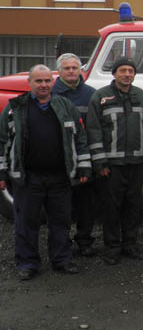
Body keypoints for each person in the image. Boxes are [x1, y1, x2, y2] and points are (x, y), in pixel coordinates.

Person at [0, 65, 91, 280]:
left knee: (61, 221)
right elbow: (2, 142)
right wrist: (2, 174)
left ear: (53, 82)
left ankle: (61, 260)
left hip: (60, 177)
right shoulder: (15, 108)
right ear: (30, 83)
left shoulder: (66, 106)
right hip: (28, 178)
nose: (43, 85)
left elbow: (80, 138)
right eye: (39, 81)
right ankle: (27, 263)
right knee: (26, 223)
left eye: (47, 81)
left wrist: (84, 166)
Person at [87, 57, 143, 265]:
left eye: (130, 71)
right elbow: (93, 130)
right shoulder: (100, 97)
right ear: (114, 74)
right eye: (123, 70)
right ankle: (112, 247)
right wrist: (100, 163)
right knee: (111, 208)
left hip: (135, 163)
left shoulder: (141, 96)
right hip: (112, 166)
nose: (127, 74)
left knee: (133, 206)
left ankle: (130, 244)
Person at [52, 53, 97, 257]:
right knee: (61, 206)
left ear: (80, 70)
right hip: (59, 160)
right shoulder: (49, 93)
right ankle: (62, 244)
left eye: (74, 68)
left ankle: (85, 241)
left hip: (85, 158)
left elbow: (96, 128)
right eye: (67, 68)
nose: (71, 71)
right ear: (59, 71)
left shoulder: (91, 94)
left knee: (86, 204)